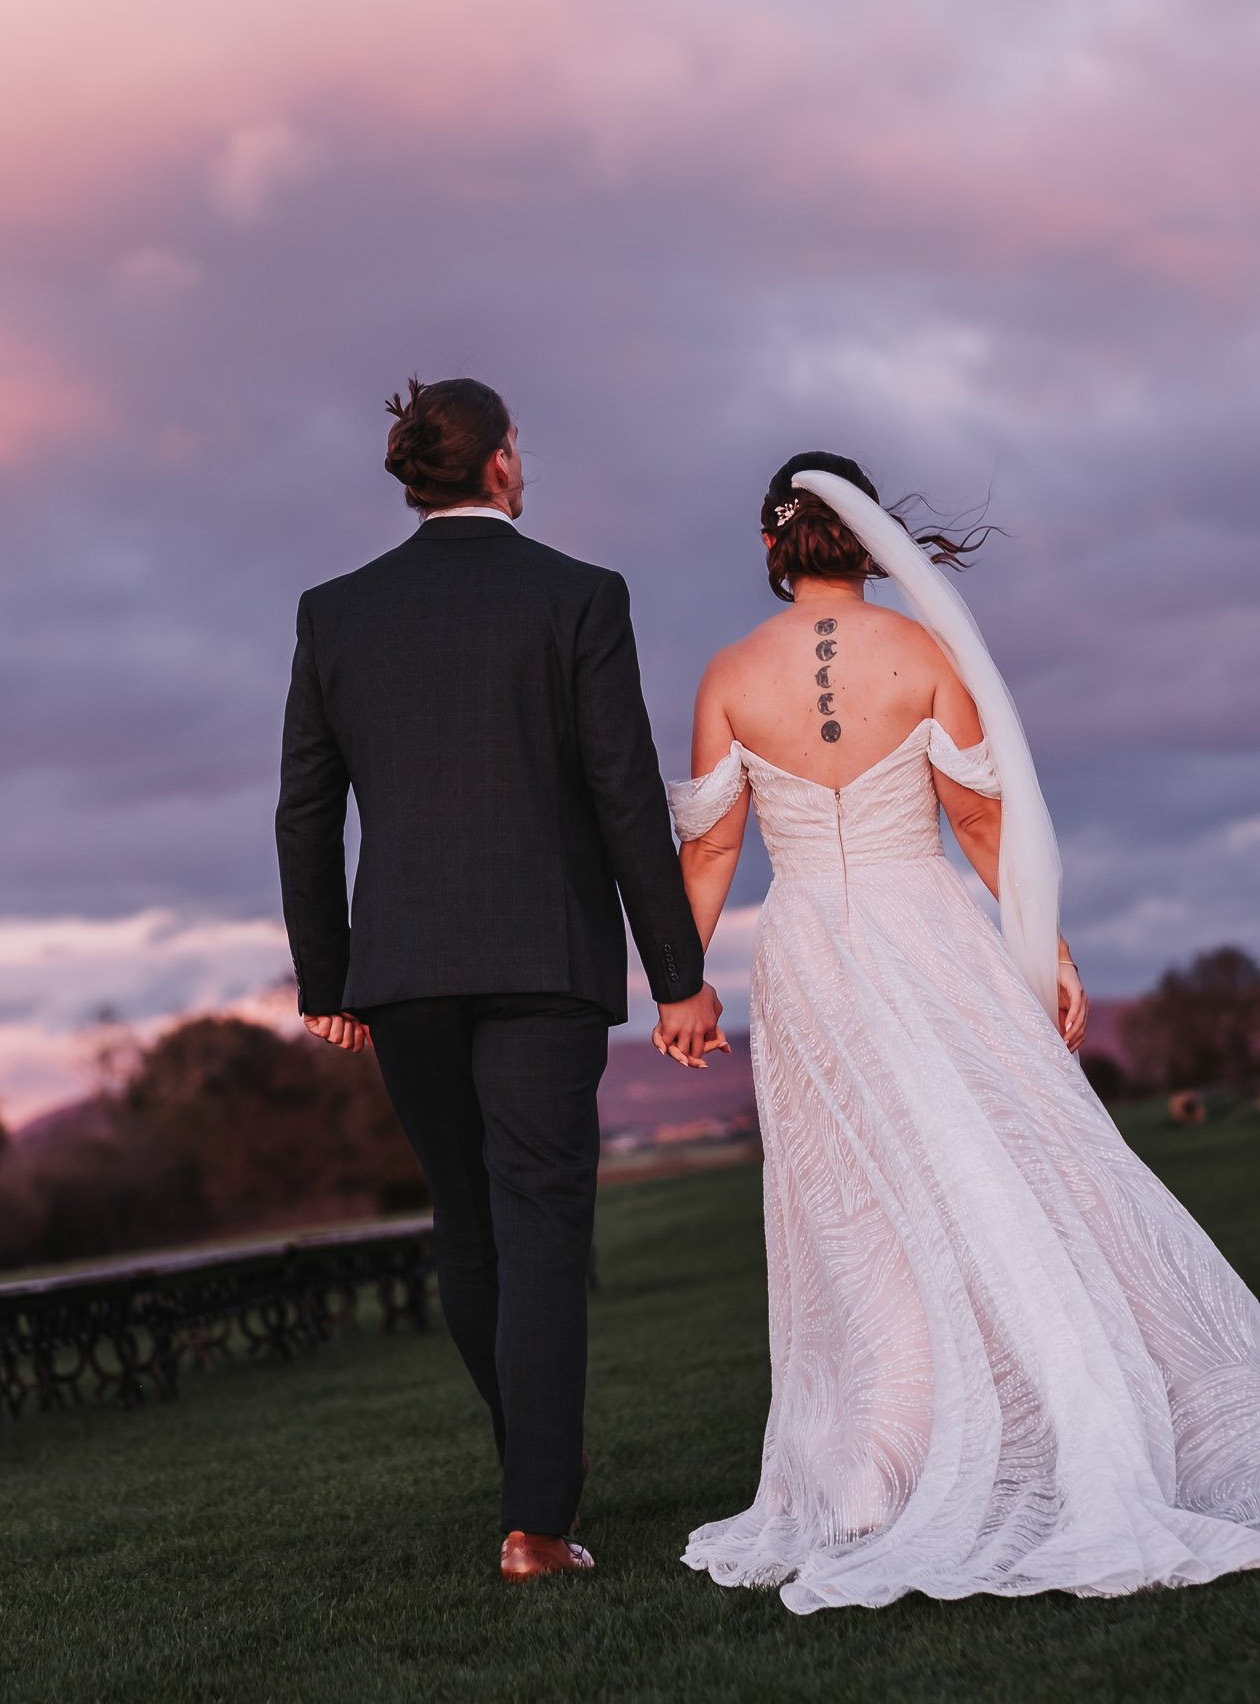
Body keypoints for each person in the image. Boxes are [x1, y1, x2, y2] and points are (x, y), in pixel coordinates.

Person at [667, 451, 1260, 1614]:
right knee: (1005, 1167)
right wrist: (1048, 945)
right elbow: (981, 817)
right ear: (870, 535)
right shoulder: (926, 653)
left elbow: (711, 849)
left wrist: (680, 981)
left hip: (809, 956)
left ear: (776, 543)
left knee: (854, 1205)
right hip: (929, 927)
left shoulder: (730, 672)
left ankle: (869, 1473)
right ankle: (1054, 1416)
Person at [275, 377, 723, 1581]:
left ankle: (535, 1472)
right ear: (502, 466)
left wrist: (329, 975)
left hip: (403, 966)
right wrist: (678, 971)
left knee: (466, 1222)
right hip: (542, 960)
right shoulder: (577, 594)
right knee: (539, 1227)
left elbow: (304, 813)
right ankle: (536, 1517)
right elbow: (623, 791)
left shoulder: (336, 612)